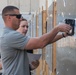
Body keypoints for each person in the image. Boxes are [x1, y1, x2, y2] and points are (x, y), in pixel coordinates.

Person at [0, 5, 72, 75]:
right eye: (18, 16)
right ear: (9, 17)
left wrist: (63, 35)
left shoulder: (10, 35)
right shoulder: (11, 36)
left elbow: (46, 41)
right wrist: (57, 29)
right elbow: (41, 42)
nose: (20, 18)